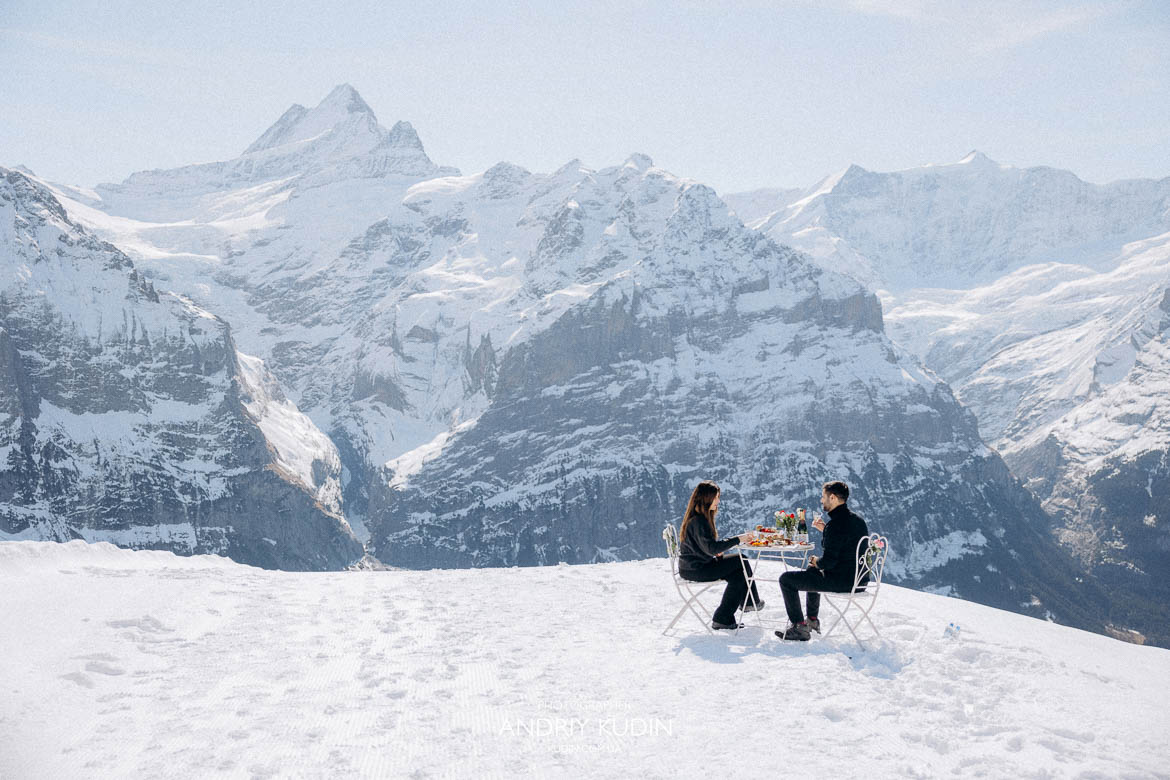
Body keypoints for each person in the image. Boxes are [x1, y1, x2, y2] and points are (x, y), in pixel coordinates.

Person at [775, 481, 869, 641]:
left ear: (832, 497)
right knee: (812, 571)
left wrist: (815, 560)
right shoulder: (857, 521)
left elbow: (828, 562)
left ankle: (799, 627)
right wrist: (826, 530)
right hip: (859, 579)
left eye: (823, 496)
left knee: (786, 580)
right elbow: (843, 543)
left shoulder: (835, 525)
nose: (821, 500)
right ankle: (812, 621)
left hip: (843, 581)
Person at [677, 480, 761, 630]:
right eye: (716, 497)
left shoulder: (699, 518)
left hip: (696, 566)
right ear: (706, 498)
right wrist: (738, 539)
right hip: (696, 569)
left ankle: (723, 618)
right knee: (741, 560)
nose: (718, 501)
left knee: (738, 574)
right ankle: (750, 602)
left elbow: (705, 547)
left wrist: (717, 552)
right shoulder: (699, 521)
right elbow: (711, 548)